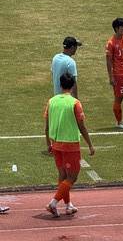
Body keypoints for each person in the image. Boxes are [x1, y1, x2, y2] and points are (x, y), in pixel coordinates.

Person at [44, 72, 95, 217]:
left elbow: (46, 127)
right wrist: (90, 144)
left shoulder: (51, 101)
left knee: (63, 175)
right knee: (72, 177)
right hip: (70, 145)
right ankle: (53, 203)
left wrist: (48, 143)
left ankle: (68, 205)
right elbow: (82, 126)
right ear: (73, 85)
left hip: (56, 144)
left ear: (60, 85)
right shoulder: (75, 103)